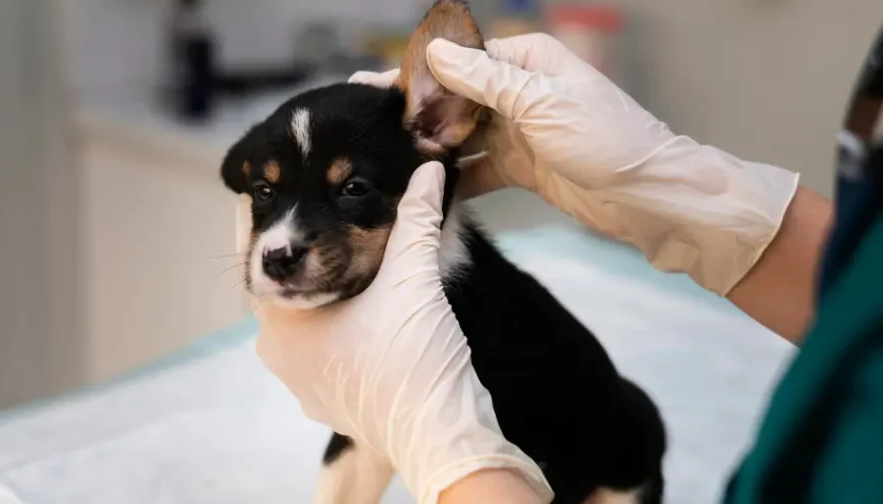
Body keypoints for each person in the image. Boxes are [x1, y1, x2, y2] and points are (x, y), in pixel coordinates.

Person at [245, 28, 882, 504]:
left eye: (350, 188)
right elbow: (866, 301)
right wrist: (682, 193)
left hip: (600, 466)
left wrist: (458, 459)